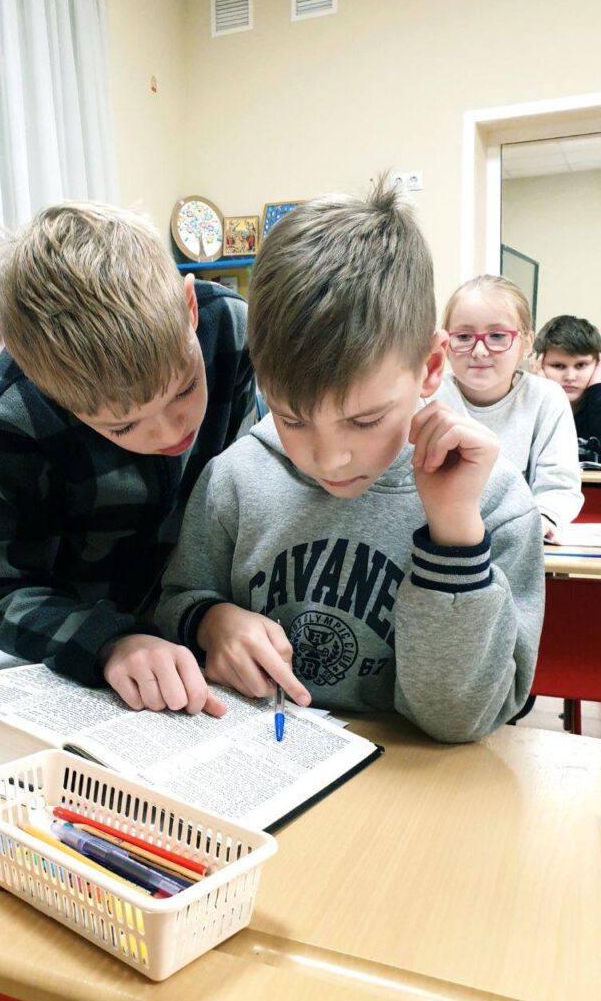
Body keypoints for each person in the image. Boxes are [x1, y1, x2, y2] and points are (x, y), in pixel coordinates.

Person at [155, 181, 544, 744]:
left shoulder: (494, 503)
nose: (328, 457)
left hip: (417, 780)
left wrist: (455, 535)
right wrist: (210, 622)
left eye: (364, 420)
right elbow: (176, 603)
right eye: (292, 418)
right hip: (259, 759)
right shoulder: (234, 479)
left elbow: (459, 720)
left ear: (431, 366)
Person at [0, 202, 256, 717]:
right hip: (88, 656)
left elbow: (247, 496)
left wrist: (211, 613)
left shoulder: (231, 327)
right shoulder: (10, 417)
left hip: (212, 631)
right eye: (123, 427)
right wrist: (110, 642)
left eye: (184, 389)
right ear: (53, 394)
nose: (172, 432)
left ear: (189, 306)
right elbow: (2, 591)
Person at [436, 275, 582, 542]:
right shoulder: (427, 396)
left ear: (526, 343)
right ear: (446, 343)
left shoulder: (547, 398)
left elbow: (559, 486)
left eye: (497, 336)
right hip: (439, 537)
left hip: (516, 541)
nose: (479, 351)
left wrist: (544, 518)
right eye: (464, 336)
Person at [533, 314, 601, 446]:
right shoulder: (523, 405)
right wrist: (542, 393)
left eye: (581, 365)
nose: (570, 377)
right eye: (558, 366)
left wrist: (597, 392)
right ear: (539, 364)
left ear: (598, 365)